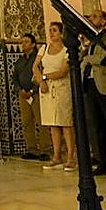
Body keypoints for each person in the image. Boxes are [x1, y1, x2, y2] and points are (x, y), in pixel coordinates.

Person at [81, 10, 106, 177]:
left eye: (96, 16)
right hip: (90, 84)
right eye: (91, 17)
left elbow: (105, 57)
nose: (92, 19)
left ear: (104, 21)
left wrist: (88, 58)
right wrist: (85, 49)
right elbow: (81, 57)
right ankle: (103, 162)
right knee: (97, 126)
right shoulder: (90, 41)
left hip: (105, 85)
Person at [34, 22, 75, 171]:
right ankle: (56, 155)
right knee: (53, 123)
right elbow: (35, 66)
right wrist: (40, 81)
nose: (52, 33)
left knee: (65, 122)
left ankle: (70, 156)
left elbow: (63, 71)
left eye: (55, 31)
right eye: (50, 31)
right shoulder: (43, 48)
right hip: (46, 89)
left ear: (62, 33)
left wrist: (44, 77)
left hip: (62, 87)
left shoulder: (67, 50)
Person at [11, 33, 48, 160]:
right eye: (22, 42)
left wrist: (33, 90)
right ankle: (32, 149)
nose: (23, 44)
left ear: (33, 44)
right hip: (23, 95)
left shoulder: (38, 59)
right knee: (27, 122)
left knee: (41, 121)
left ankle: (45, 149)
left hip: (36, 94)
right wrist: (20, 90)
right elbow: (14, 78)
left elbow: (42, 74)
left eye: (26, 42)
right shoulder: (20, 61)